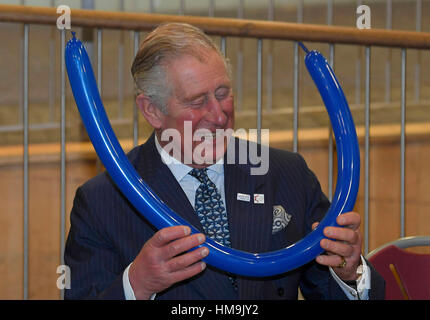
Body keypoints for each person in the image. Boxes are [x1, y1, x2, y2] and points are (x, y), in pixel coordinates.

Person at [64, 22, 385, 300]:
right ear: (152, 110)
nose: (219, 115)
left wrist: (350, 273)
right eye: (197, 101)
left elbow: (330, 286)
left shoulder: (286, 174)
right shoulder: (102, 201)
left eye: (222, 93)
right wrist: (137, 283)